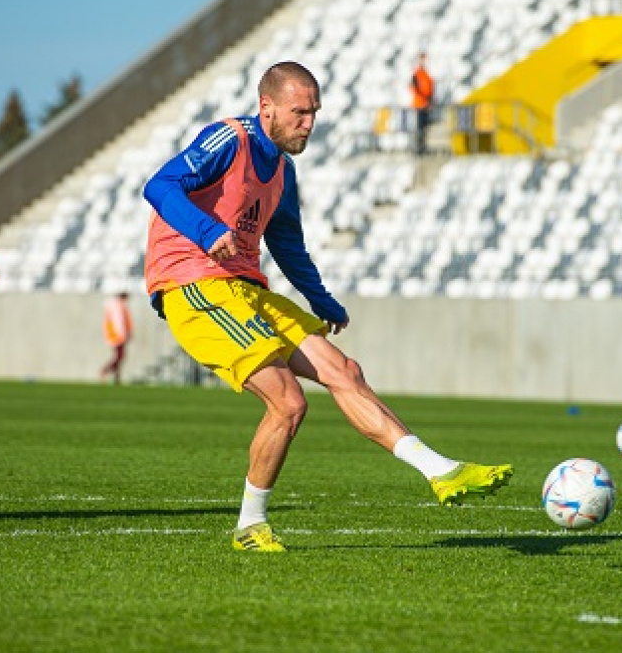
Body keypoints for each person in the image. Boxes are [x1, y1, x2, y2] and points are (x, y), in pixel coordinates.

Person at [143, 61, 512, 552]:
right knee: (288, 401)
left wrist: (320, 299)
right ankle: (250, 527)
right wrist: (209, 233)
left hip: (245, 287)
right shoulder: (227, 138)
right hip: (193, 284)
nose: (309, 124)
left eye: (314, 112)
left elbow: (288, 245)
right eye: (299, 112)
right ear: (266, 107)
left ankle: (439, 470)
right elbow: (160, 185)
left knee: (345, 370)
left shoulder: (283, 170)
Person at [100, 292, 133, 384]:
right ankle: (105, 371)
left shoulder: (114, 305)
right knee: (119, 356)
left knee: (119, 356)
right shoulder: (118, 306)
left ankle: (116, 376)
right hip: (118, 335)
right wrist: (123, 334)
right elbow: (119, 321)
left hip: (115, 334)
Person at [410, 52, 435, 156]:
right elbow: (414, 89)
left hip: (426, 105)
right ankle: (418, 149)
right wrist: (424, 99)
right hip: (419, 104)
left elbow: (430, 88)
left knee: (425, 127)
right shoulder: (417, 74)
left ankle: (423, 147)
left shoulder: (426, 73)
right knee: (420, 128)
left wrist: (430, 99)